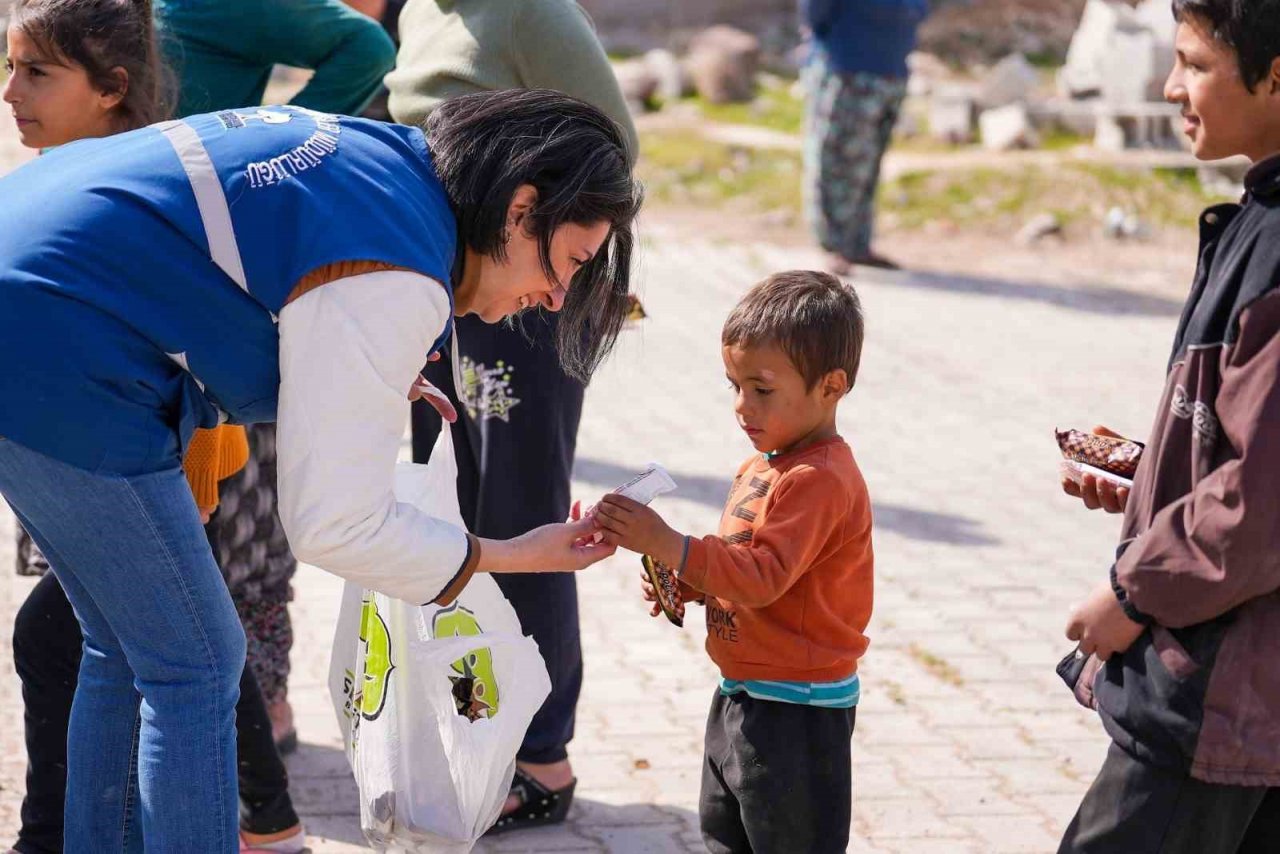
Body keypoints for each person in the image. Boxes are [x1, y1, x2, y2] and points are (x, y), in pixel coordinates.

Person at [0, 87, 639, 850]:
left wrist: (349, 370)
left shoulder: (390, 170)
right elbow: (334, 523)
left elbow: (261, 272)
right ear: (520, 210)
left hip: (28, 293)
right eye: (567, 263)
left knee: (126, 643)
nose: (556, 296)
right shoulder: (398, 267)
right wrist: (508, 556)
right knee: (198, 665)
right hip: (54, 339)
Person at [1, 1, 305, 850]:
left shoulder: (127, 177)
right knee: (154, 645)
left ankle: (266, 821)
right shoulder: (73, 172)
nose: (9, 92)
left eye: (36, 73)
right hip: (96, 438)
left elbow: (203, 341)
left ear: (112, 89)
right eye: (11, 67)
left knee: (182, 654)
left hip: (164, 456)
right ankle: (264, 820)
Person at [384, 0, 639, 831]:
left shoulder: (529, 9)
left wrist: (541, 254)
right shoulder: (421, 6)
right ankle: (473, 727)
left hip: (531, 296)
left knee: (523, 513)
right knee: (447, 508)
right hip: (447, 286)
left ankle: (542, 755)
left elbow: (613, 156)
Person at [1057, 2, 1280, 850]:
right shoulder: (1257, 221)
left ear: (1277, 74)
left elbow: (1260, 506)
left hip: (1220, 694)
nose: (1169, 86)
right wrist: (1157, 474)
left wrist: (1130, 592)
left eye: (1194, 64)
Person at [154, 0, 399, 752]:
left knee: (244, 527)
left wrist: (263, 163)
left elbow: (361, 44)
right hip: (120, 285)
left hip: (219, 280)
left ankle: (260, 715)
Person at [593, 271, 873, 854]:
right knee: (725, 837)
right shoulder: (762, 467)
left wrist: (671, 544)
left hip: (796, 713)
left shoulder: (818, 479)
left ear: (832, 386)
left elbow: (764, 577)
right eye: (734, 386)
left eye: (762, 389)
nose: (742, 406)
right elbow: (745, 562)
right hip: (741, 695)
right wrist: (689, 583)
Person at [799, 0, 927, 275]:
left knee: (868, 163)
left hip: (892, 68)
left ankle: (858, 244)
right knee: (835, 158)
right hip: (847, 65)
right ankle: (832, 247)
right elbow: (815, 10)